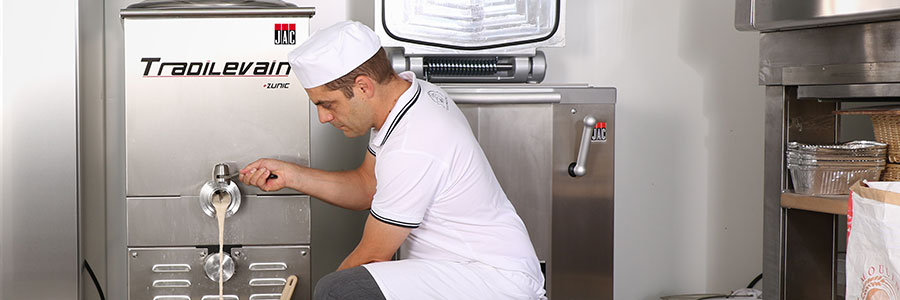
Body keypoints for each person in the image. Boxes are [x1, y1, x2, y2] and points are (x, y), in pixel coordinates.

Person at [239, 20, 546, 300]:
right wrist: (292, 176)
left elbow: (372, 256)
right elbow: (367, 187)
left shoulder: (414, 140)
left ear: (363, 87)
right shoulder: (407, 99)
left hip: (491, 278)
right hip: (458, 268)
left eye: (327, 104)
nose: (323, 117)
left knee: (337, 291)